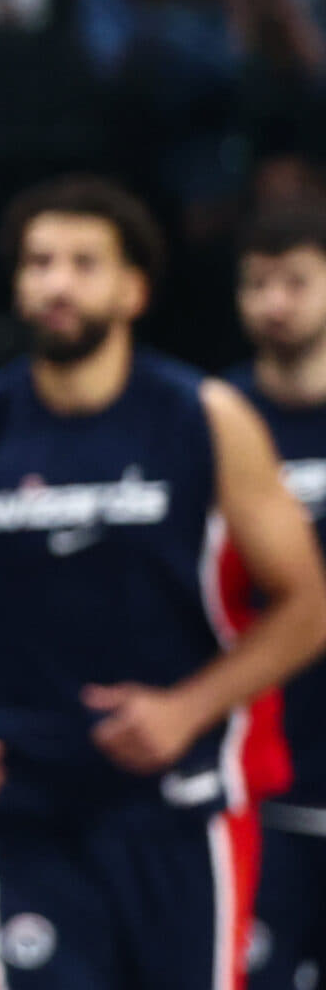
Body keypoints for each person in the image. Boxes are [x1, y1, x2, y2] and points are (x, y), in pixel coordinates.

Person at [0, 176, 326, 990]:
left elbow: (308, 606)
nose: (56, 282)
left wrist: (188, 707)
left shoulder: (208, 419)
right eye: (40, 262)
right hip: (19, 800)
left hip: (180, 801)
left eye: (84, 264)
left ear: (135, 290)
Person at [232, 198, 326, 990]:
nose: (276, 302)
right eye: (259, 283)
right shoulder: (213, 423)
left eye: (296, 281)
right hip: (266, 774)